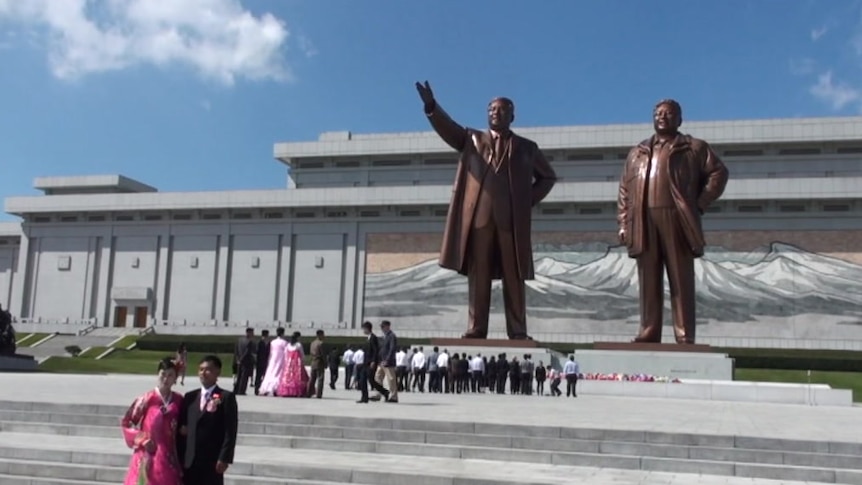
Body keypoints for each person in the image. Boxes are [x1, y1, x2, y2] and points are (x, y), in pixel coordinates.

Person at [416, 81, 557, 340]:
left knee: (514, 277)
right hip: (480, 221)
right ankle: (476, 327)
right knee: (478, 276)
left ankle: (518, 331)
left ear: (512, 116)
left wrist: (526, 202)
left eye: (502, 110)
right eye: (491, 109)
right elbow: (450, 130)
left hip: (511, 223)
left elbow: (548, 177)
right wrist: (432, 107)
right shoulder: (473, 139)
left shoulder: (527, 148)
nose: (495, 113)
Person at [618, 99, 729, 344]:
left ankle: (684, 333)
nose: (662, 117)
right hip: (643, 220)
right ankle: (649, 330)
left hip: (676, 217)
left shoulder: (694, 148)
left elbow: (718, 173)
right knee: (648, 279)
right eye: (658, 113)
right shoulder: (638, 152)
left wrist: (700, 202)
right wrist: (625, 223)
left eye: (669, 114)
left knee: (680, 277)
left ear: (679, 119)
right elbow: (625, 190)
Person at [121, 357, 183, 485]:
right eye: (163, 374)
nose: (166, 379)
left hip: (169, 455)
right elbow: (127, 422)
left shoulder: (179, 400)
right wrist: (142, 439)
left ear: (175, 378)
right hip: (147, 453)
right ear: (157, 374)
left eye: (170, 375)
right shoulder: (146, 399)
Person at [177, 355, 238, 485]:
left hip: (212, 460)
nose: (203, 373)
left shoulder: (225, 397)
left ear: (218, 372)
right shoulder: (190, 397)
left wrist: (224, 458)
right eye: (200, 369)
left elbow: (230, 431)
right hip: (189, 460)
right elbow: (182, 424)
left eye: (208, 370)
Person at [371, 320, 398, 403]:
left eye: (383, 326)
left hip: (388, 362)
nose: (381, 328)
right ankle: (377, 394)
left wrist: (387, 360)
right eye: (381, 326)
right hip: (381, 361)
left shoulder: (392, 336)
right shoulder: (384, 336)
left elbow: (392, 349)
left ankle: (394, 396)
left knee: (391, 379)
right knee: (377, 377)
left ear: (388, 326)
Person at [277, 332, 309, 397]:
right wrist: (303, 360)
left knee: (288, 377)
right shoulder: (298, 345)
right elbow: (302, 354)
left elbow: (286, 354)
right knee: (298, 377)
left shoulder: (288, 345)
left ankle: (287, 391)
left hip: (289, 363)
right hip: (297, 363)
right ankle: (298, 392)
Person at [257, 327, 287, 396]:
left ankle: (266, 388)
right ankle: (276, 389)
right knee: (278, 374)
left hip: (272, 360)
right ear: (283, 333)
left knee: (270, 374)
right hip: (281, 360)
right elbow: (286, 353)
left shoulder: (272, 342)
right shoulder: (284, 342)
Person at [232, 328, 255, 395]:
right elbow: (247, 352)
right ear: (249, 333)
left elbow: (236, 350)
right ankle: (241, 391)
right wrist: (241, 359)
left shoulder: (239, 340)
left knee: (239, 376)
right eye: (252, 332)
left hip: (239, 361)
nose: (253, 334)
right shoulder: (250, 341)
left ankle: (236, 390)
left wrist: (237, 359)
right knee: (244, 377)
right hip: (246, 362)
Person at [307, 329, 326, 398]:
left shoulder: (312, 343)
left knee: (312, 378)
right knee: (320, 378)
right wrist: (325, 362)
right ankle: (319, 394)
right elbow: (323, 354)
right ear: (320, 335)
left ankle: (308, 392)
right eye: (323, 334)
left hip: (313, 361)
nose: (324, 336)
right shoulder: (321, 343)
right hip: (319, 362)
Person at [253, 329, 270, 395]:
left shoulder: (268, 343)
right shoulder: (260, 342)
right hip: (260, 363)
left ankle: (264, 390)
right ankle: (257, 389)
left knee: (265, 377)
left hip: (265, 362)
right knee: (258, 377)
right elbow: (257, 353)